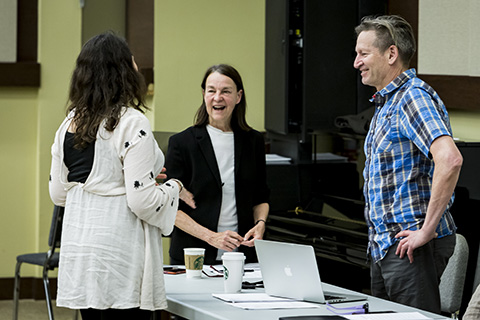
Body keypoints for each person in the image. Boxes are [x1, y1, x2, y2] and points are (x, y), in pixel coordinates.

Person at [49, 31, 194, 320]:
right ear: (124, 71)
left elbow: (59, 193)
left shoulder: (68, 123)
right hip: (119, 252)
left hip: (81, 249)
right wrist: (173, 188)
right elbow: (142, 201)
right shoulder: (131, 122)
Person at [353, 15, 463, 313]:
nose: (356, 62)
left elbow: (450, 159)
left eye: (363, 54)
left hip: (412, 248)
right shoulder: (387, 102)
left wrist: (425, 231)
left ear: (391, 54)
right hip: (388, 246)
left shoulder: (412, 97)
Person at [165, 64, 270, 265]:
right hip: (193, 255)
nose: (217, 97)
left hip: (244, 257)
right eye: (211, 91)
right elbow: (170, 208)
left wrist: (260, 224)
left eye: (226, 92)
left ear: (238, 97)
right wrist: (212, 238)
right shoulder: (181, 143)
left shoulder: (254, 141)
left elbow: (260, 196)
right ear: (204, 94)